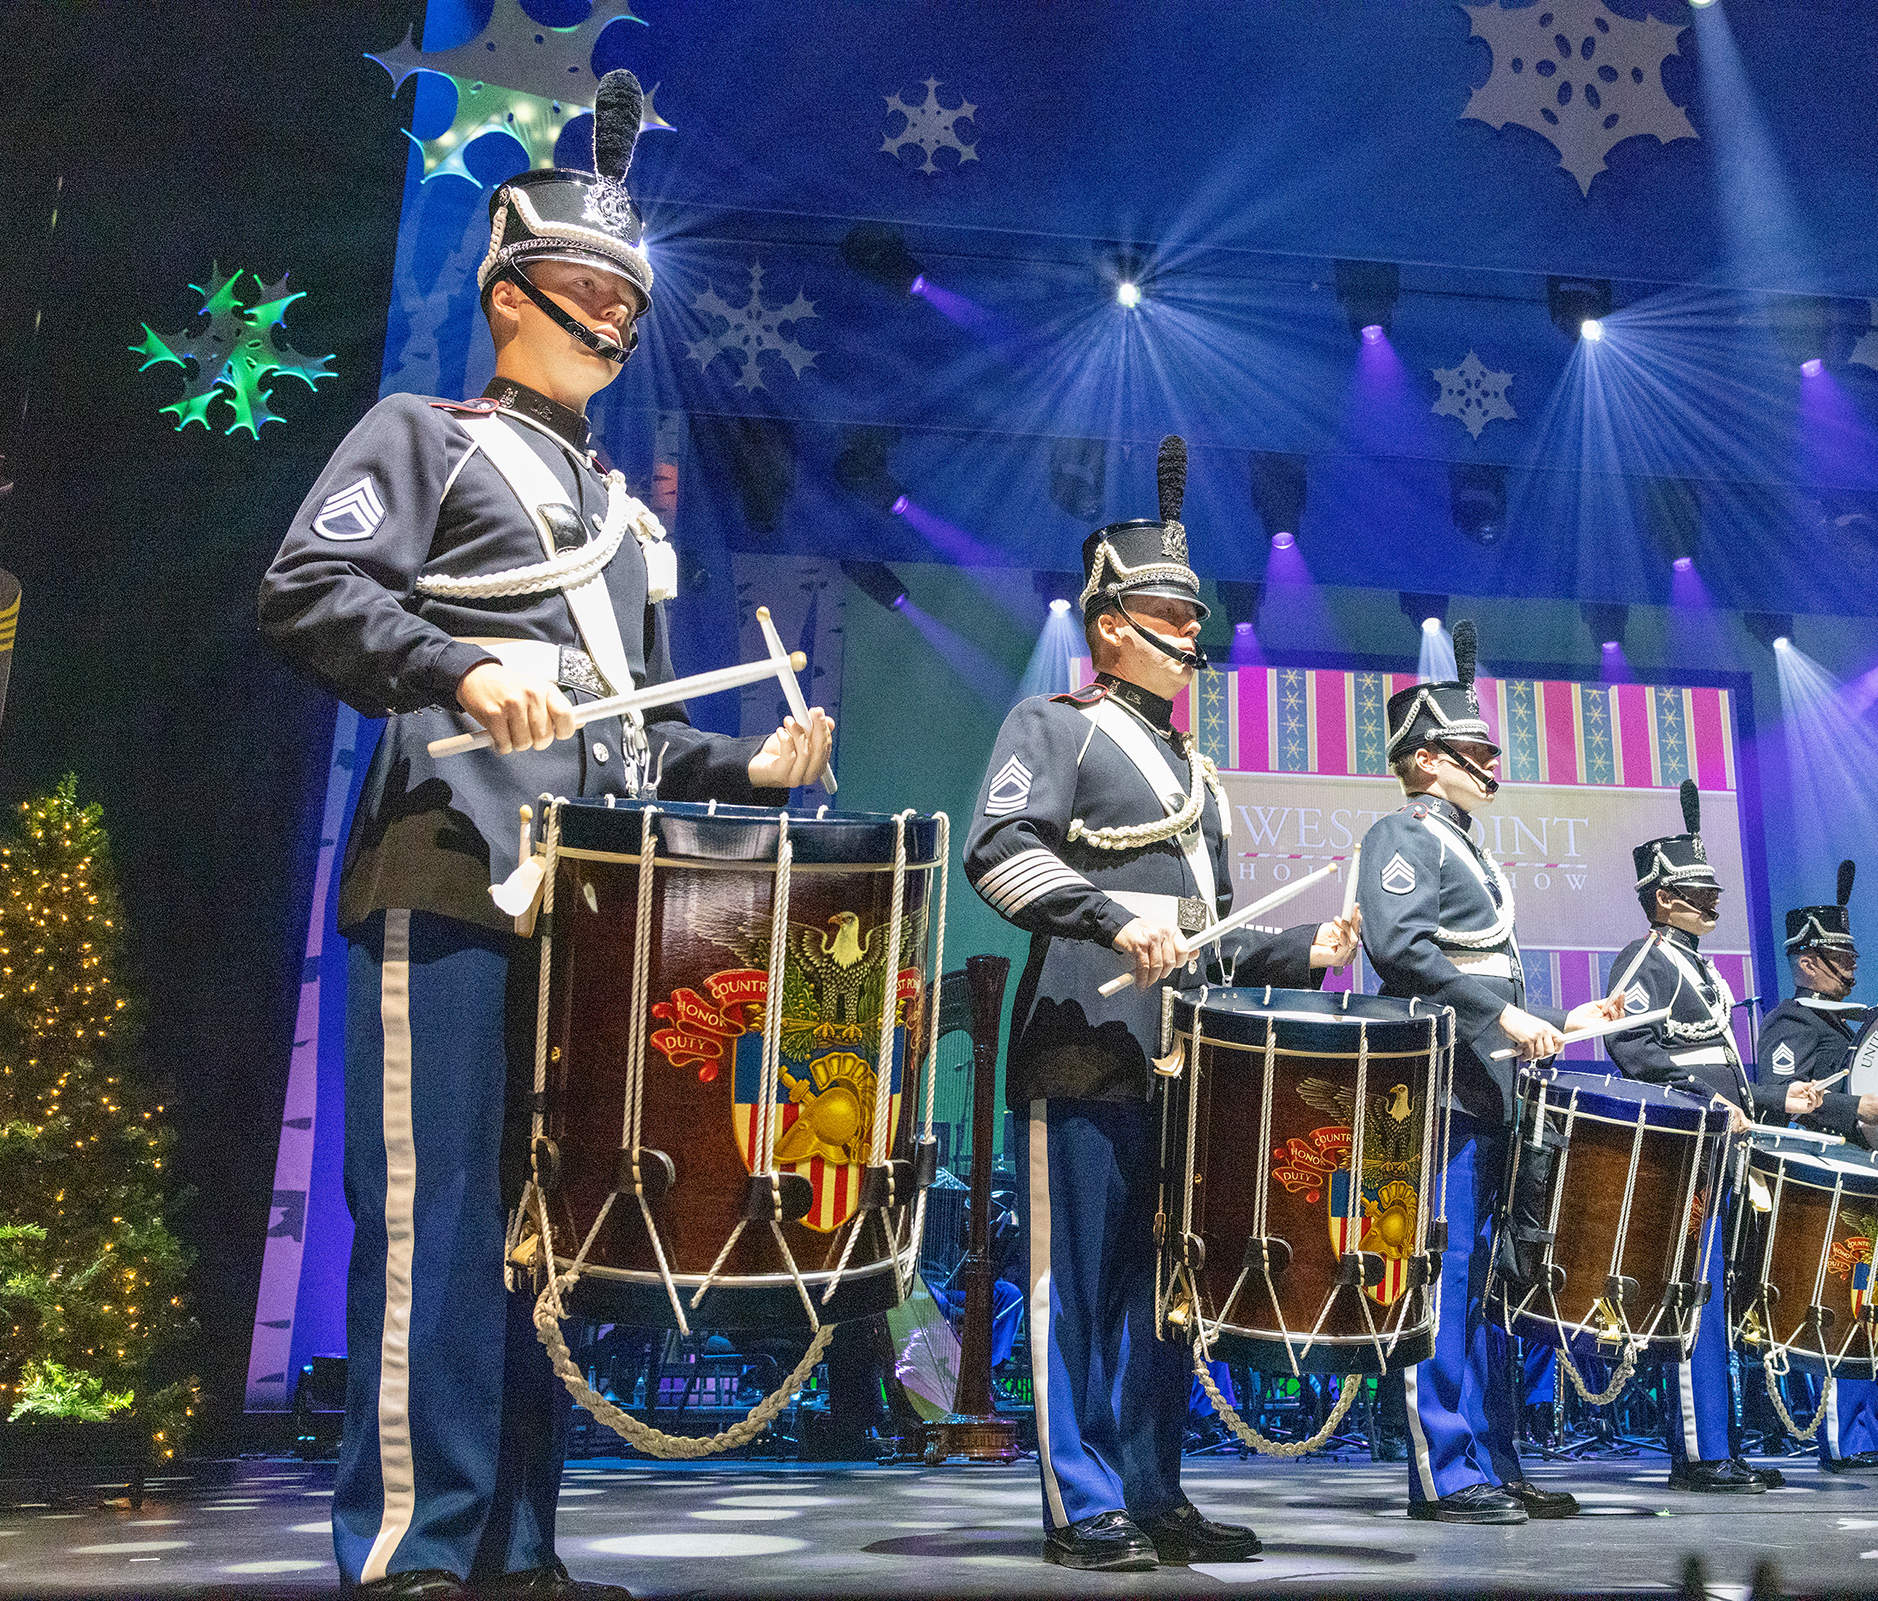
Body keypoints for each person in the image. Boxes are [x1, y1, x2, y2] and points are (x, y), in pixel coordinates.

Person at [259, 76, 833, 1599]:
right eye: (588, 290)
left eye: (629, 302)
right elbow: (308, 594)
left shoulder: (613, 513)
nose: (614, 322)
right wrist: (462, 664)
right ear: (508, 296)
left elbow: (627, 731)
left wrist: (749, 765)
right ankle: (412, 1552)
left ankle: (516, 1547)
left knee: (539, 1239)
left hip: (580, 915)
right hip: (445, 876)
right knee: (435, 1234)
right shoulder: (425, 440)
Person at [961, 438, 1361, 1572]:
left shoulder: (1200, 774)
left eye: (1195, 615)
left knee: (1162, 1297)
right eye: (1168, 614)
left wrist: (1307, 951)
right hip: (1082, 1040)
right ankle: (1078, 1494)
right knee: (1076, 1288)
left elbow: (1213, 936)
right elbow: (997, 853)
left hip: (1184, 1058)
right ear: (1108, 626)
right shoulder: (1056, 726)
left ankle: (1152, 1484)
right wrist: (1106, 916)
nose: (1195, 633)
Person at [1354, 621, 1621, 1525]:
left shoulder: (1465, 843)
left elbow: (1482, 970)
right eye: (1473, 750)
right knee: (1446, 1277)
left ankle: (1493, 1456)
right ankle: (1447, 1470)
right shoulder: (1405, 831)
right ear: (1424, 759)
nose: (1490, 762)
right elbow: (1399, 945)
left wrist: (1554, 1022)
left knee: (1491, 1285)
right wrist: (1504, 1014)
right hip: (1437, 1091)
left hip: (1487, 1086)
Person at [1605, 782, 1814, 1492]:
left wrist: (1781, 1096)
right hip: (1686, 1152)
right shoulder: (1647, 958)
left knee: (1719, 1299)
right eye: (1699, 888)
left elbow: (1720, 1074)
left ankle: (1718, 1440)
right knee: (1694, 1299)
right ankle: (1700, 1452)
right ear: (1664, 897)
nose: (1714, 900)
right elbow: (1631, 1048)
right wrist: (1704, 1103)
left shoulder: (1697, 966)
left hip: (1720, 1150)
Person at [1753, 862, 1878, 1474]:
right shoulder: (1791, 1022)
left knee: (1870, 1306)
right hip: (1824, 1187)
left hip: (1868, 1181)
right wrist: (1854, 1106)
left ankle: (1868, 1430)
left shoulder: (1848, 1021)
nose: (1854, 968)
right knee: (1836, 1306)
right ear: (1807, 962)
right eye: (1840, 958)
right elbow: (1776, 1094)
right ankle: (1844, 1436)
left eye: (1852, 956)